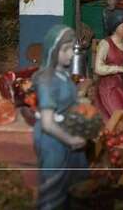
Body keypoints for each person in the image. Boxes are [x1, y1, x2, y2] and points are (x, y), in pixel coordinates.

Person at [32, 25, 88, 210]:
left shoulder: (64, 75)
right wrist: (70, 140)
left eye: (72, 48)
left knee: (77, 185)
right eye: (66, 49)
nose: (71, 54)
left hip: (69, 134)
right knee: (53, 190)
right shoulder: (46, 80)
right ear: (53, 50)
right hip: (54, 141)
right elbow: (47, 123)